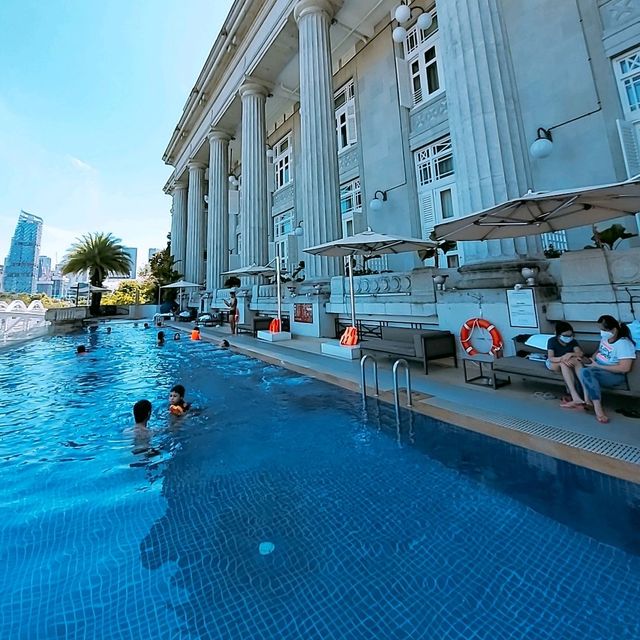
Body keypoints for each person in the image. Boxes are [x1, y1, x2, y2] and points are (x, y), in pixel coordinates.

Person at [578, 315, 637, 424]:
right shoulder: (605, 338)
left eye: (604, 330)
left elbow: (624, 368)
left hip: (613, 374)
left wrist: (597, 366)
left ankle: (597, 408)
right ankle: (582, 399)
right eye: (601, 329)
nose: (602, 332)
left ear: (614, 330)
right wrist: (590, 360)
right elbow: (599, 351)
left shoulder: (623, 344)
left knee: (586, 372)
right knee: (576, 364)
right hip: (598, 366)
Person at [545, 321, 585, 407]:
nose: (569, 338)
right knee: (564, 364)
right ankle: (574, 395)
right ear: (558, 335)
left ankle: (581, 396)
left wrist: (571, 354)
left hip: (568, 362)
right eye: (566, 336)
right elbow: (551, 357)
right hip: (554, 362)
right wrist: (562, 358)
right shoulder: (552, 341)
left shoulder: (573, 342)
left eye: (571, 335)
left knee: (570, 363)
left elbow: (580, 353)